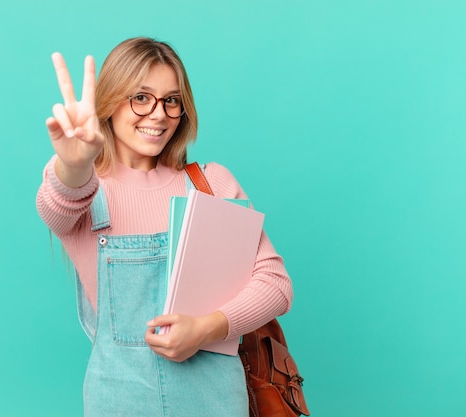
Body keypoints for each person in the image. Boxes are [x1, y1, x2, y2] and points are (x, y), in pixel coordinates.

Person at [36, 37, 293, 416]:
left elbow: (276, 284)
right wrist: (75, 165)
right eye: (141, 97)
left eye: (171, 100)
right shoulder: (84, 190)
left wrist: (206, 329)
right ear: (110, 101)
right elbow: (55, 208)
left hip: (217, 403)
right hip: (119, 402)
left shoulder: (211, 184)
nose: (158, 114)